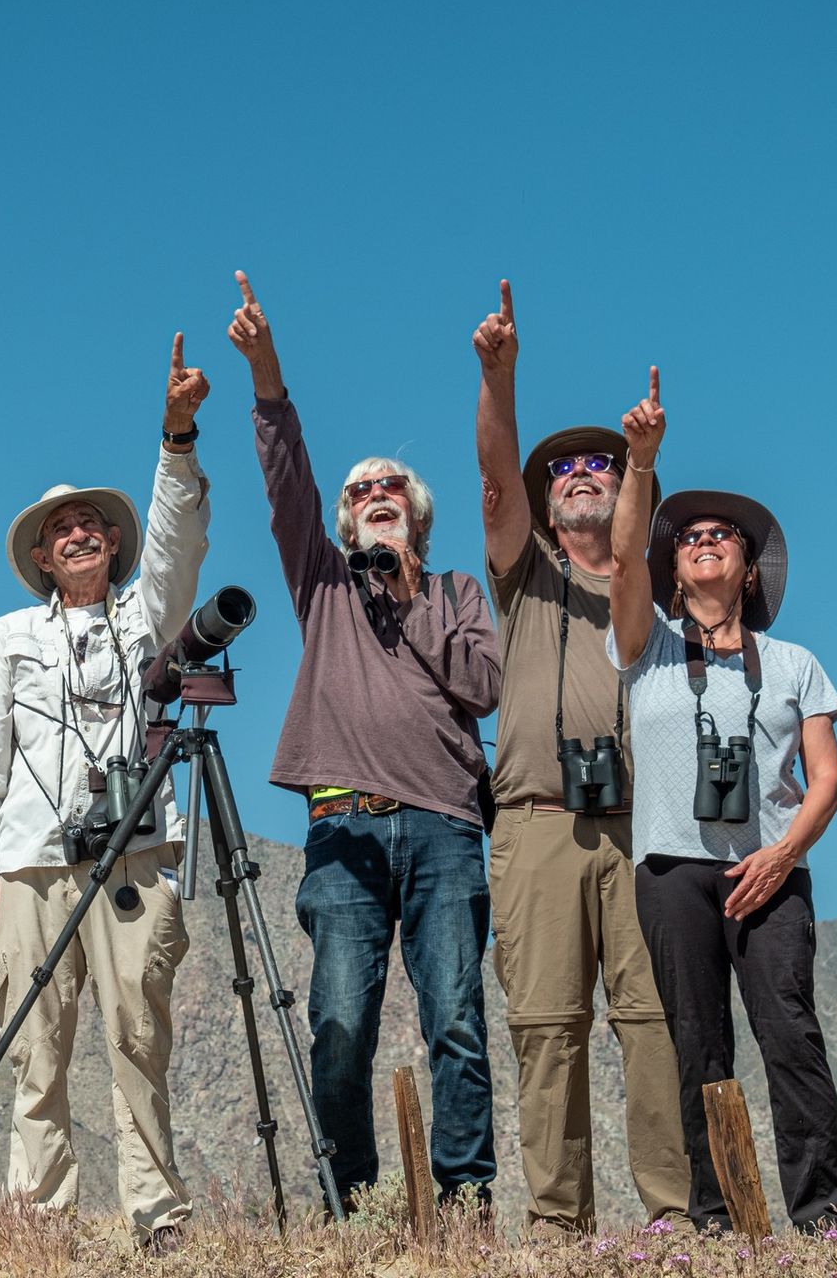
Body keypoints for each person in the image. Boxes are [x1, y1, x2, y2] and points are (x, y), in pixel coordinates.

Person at [227, 271, 501, 1208]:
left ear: (414, 515)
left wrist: (411, 595)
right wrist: (267, 369)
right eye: (360, 492)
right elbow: (284, 478)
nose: (373, 494)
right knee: (339, 1020)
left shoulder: (457, 594)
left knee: (456, 1021)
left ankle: (465, 1204)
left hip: (445, 829)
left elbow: (482, 687)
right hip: (343, 828)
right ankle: (356, 1203)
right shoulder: (323, 583)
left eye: (390, 489)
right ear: (345, 520)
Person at [0, 333, 212, 1253]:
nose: (79, 532)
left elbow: (179, 546)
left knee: (139, 1031)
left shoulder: (145, 617)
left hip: (137, 847)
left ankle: (157, 1214)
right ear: (43, 556)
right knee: (36, 1042)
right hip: (31, 862)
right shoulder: (7, 634)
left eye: (92, 522)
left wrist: (175, 442)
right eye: (62, 529)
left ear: (110, 542)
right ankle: (41, 1221)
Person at [610, 370, 837, 1234]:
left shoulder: (794, 664)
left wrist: (783, 856)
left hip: (769, 869)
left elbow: (827, 779)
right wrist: (642, 465)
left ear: (748, 569)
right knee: (698, 1045)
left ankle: (822, 1216)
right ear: (673, 571)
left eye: (725, 537)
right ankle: (716, 1219)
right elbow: (623, 560)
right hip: (673, 867)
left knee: (789, 1034)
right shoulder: (648, 649)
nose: (706, 540)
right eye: (692, 538)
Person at [472, 282, 691, 1236]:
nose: (579, 473)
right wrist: (499, 376)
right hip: (537, 822)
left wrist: (643, 461)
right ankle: (560, 1228)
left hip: (645, 829)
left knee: (652, 1025)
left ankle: (672, 1218)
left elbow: (636, 546)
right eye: (561, 469)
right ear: (543, 498)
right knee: (546, 1030)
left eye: (598, 463)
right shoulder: (523, 577)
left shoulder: (656, 593)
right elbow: (491, 478)